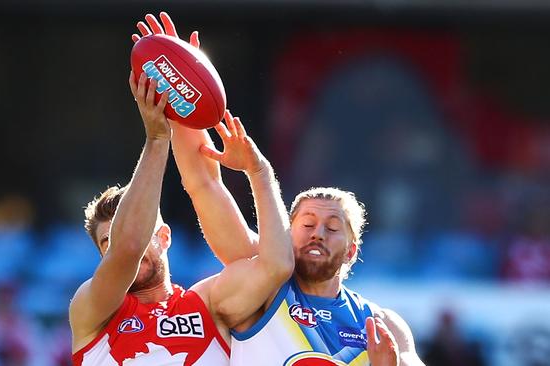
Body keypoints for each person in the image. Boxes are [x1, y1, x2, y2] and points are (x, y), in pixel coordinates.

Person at [143, 12, 426, 366]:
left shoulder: (384, 327)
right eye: (306, 224)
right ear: (286, 235)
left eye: (332, 227)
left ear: (352, 251)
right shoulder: (263, 286)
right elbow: (204, 185)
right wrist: (180, 95)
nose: (317, 234)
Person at [69, 22, 294, 365]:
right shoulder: (92, 311)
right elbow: (127, 248)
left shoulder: (208, 304)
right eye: (106, 244)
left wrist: (181, 98)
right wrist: (157, 140)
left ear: (164, 236)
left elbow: (274, 264)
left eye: (146, 233)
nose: (119, 245)